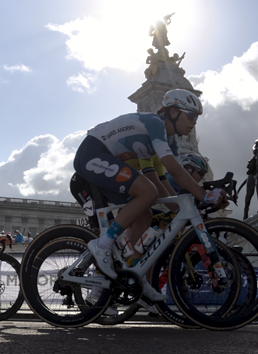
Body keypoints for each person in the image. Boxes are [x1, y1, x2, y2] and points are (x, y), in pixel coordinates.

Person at [74, 88, 225, 279]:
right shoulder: (156, 124)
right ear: (173, 112)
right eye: (190, 115)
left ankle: (137, 277)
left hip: (107, 159)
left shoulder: (171, 142)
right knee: (148, 193)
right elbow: (175, 170)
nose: (194, 122)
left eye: (196, 118)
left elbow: (170, 183)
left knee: (144, 212)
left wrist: (187, 209)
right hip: (92, 153)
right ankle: (102, 245)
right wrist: (205, 196)